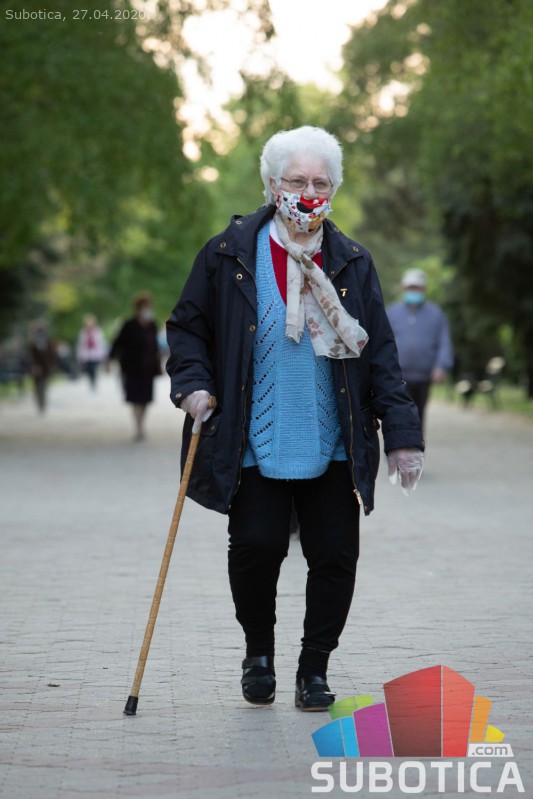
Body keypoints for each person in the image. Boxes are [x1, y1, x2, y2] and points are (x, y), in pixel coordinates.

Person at [166, 126, 424, 712]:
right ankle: (258, 652)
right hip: (252, 437)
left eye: (320, 183)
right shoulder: (227, 254)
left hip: (335, 440)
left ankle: (314, 668)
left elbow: (381, 353)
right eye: (296, 181)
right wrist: (194, 385)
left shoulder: (352, 261)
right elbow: (187, 329)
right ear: (271, 184)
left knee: (334, 556)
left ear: (334, 189)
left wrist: (403, 436)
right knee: (255, 548)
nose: (308, 193)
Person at [386, 268, 454, 431]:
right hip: (398, 376)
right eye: (411, 288)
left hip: (424, 376)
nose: (413, 291)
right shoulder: (392, 312)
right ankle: (399, 445)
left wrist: (441, 366)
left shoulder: (436, 314)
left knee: (418, 414)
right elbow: (383, 343)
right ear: (404, 288)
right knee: (400, 414)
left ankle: (416, 445)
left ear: (424, 289)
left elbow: (444, 342)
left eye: (417, 288)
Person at [109, 292, 161, 441]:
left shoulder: (152, 325)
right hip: (131, 368)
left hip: (148, 368)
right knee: (135, 398)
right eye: (145, 306)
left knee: (145, 399)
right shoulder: (129, 325)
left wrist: (159, 364)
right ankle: (138, 427)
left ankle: (141, 423)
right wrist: (110, 359)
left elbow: (156, 347)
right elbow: (117, 343)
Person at [27, 320, 56, 413]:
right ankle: (40, 402)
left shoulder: (47, 340)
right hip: (37, 367)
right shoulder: (33, 341)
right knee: (38, 386)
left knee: (43, 385)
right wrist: (33, 366)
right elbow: (31, 356)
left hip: (45, 367)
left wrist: (52, 366)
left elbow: (51, 354)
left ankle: (42, 403)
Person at [76, 314, 108, 390]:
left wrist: (104, 354)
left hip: (96, 354)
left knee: (94, 368)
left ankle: (94, 381)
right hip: (86, 354)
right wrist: (80, 355)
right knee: (89, 369)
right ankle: (91, 380)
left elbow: (101, 343)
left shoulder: (98, 331)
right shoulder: (83, 333)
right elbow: (81, 344)